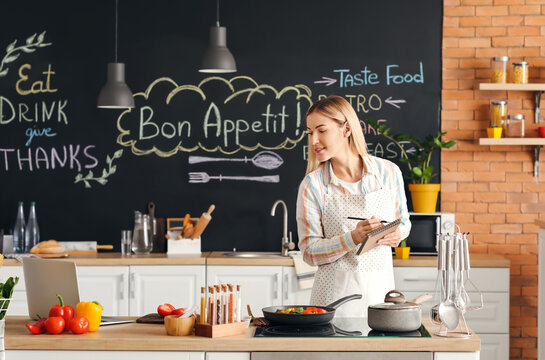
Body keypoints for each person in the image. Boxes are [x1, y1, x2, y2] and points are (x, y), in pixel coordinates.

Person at [296, 95, 411, 317]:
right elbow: (309, 252)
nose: (313, 141)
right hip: (332, 302)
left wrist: (397, 234)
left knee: (377, 352)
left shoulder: (388, 173)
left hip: (381, 295)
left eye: (322, 130)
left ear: (346, 129)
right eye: (310, 133)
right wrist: (352, 238)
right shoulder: (313, 185)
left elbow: (404, 221)